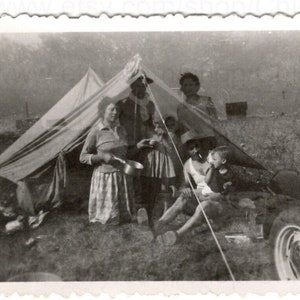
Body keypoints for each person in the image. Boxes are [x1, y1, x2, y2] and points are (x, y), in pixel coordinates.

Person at [79, 99, 148, 225]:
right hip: (105, 177)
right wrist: (102, 157)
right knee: (109, 218)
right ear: (102, 112)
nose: (115, 112)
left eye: (117, 109)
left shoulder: (121, 130)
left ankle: (123, 216)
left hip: (123, 175)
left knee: (125, 218)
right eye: (111, 109)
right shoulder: (96, 131)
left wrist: (138, 146)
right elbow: (83, 157)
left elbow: (124, 155)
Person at [154, 131, 223, 246]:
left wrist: (200, 193)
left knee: (203, 205)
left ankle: (178, 234)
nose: (196, 150)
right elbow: (183, 185)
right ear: (187, 150)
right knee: (182, 198)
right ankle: (158, 226)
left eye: (197, 146)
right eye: (191, 148)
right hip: (200, 199)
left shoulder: (211, 161)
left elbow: (218, 191)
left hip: (216, 204)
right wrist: (184, 190)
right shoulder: (188, 165)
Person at [138, 115, 180, 226]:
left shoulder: (169, 133)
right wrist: (149, 143)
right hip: (152, 161)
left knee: (164, 187)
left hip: (164, 161)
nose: (157, 125)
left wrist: (163, 138)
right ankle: (150, 212)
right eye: (154, 122)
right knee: (151, 186)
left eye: (159, 122)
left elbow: (171, 149)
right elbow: (143, 144)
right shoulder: (148, 130)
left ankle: (166, 210)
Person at [177, 72, 217, 149]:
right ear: (182, 88)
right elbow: (181, 127)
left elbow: (215, 121)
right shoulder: (180, 106)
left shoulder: (206, 101)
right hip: (190, 144)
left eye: (191, 85)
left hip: (207, 140)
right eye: (185, 85)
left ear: (197, 87)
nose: (188, 88)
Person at [117, 75, 155, 150]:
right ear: (132, 86)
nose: (141, 89)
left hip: (145, 142)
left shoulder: (150, 104)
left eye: (143, 86)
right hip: (129, 144)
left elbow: (151, 123)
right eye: (137, 86)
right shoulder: (123, 104)